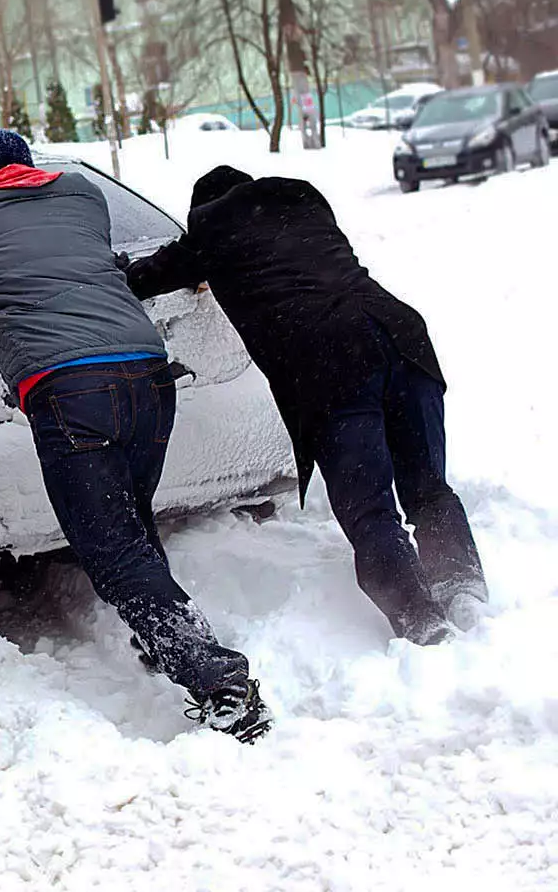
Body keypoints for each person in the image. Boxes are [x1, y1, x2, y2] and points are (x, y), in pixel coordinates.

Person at [0, 129, 271, 743]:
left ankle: (217, 679)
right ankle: (165, 640)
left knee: (110, 549)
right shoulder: (84, 196)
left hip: (70, 391)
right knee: (129, 522)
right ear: (30, 169)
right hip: (150, 378)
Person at [125, 166, 485, 644]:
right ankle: (460, 584)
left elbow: (144, 277)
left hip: (332, 360)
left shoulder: (211, 231)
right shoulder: (303, 199)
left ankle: (419, 618)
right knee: (428, 486)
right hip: (401, 335)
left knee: (369, 507)